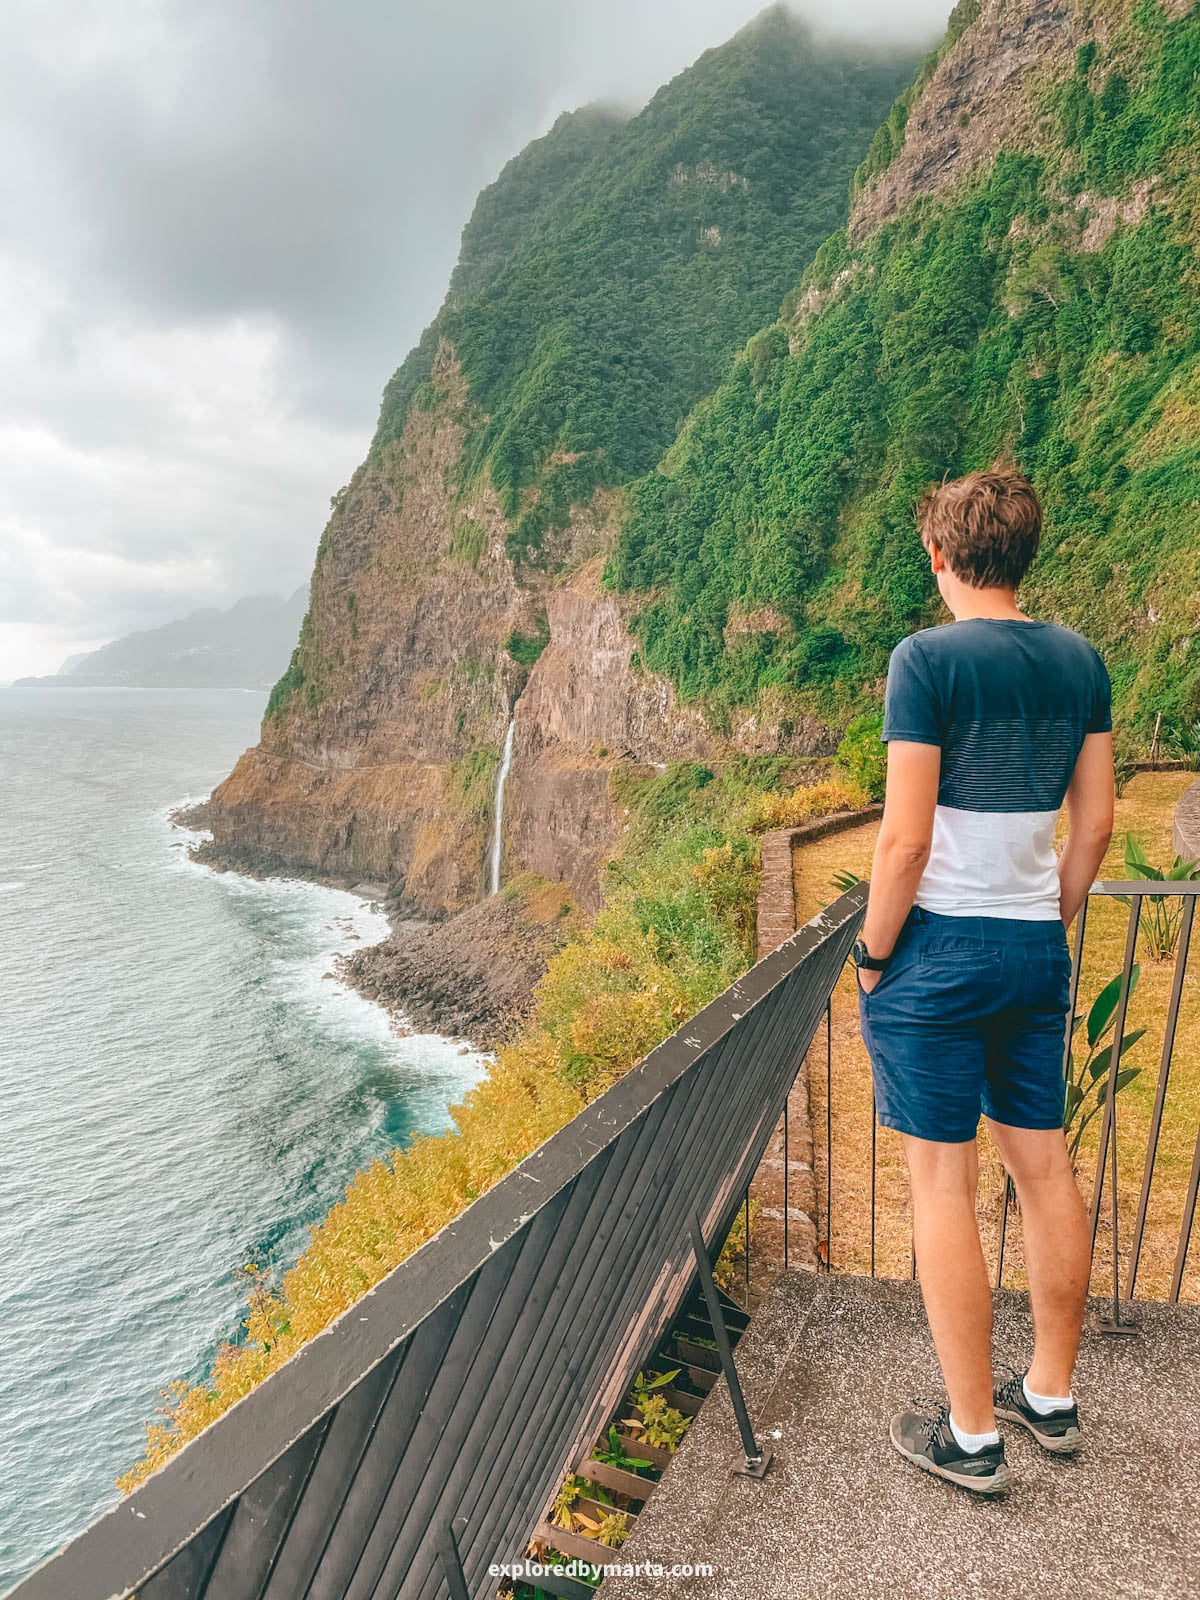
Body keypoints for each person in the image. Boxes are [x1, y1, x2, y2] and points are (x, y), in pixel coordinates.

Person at [854, 468, 1113, 1494]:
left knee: (942, 1182)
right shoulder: (1079, 660)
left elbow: (903, 840)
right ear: (1024, 554)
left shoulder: (924, 661)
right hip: (1031, 949)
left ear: (939, 556)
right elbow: (1091, 827)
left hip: (938, 955)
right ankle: (1048, 1395)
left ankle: (973, 1434)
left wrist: (874, 954)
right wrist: (1045, 920)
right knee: (1044, 1168)